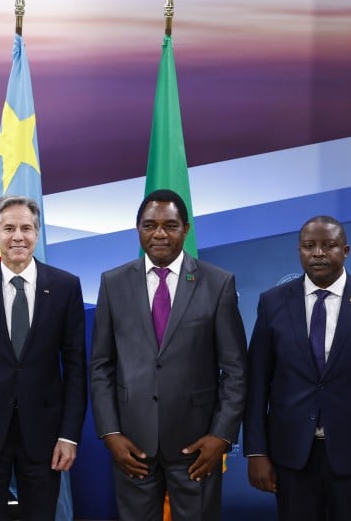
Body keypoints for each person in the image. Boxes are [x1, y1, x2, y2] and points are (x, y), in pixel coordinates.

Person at [243, 215, 351, 521]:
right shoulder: (272, 303)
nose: (318, 253)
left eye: (328, 245)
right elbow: (257, 384)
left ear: (346, 250)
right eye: (309, 246)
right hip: (292, 457)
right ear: (299, 251)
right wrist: (256, 451)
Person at [89, 189, 247, 521]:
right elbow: (101, 366)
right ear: (138, 230)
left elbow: (235, 369)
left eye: (170, 225)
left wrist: (221, 435)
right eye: (150, 225)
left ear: (185, 229)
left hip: (197, 445)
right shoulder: (113, 283)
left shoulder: (217, 283)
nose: (159, 234)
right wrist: (110, 433)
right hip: (132, 445)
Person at [0, 195, 87, 520]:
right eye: (9, 228)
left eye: (26, 228)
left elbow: (77, 369)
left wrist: (68, 435)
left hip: (45, 436)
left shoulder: (66, 287)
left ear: (37, 234)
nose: (18, 236)